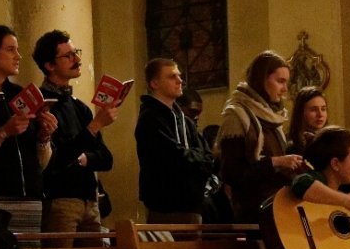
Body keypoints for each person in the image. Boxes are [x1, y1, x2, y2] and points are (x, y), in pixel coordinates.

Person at [31, 29, 120, 249]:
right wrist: (92, 132)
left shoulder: (80, 107)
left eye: (75, 53)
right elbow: (56, 163)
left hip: (89, 200)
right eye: (68, 55)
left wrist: (84, 149)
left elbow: (106, 158)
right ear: (50, 65)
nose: (76, 59)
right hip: (62, 201)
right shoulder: (42, 104)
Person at [0, 24, 57, 234]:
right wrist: (4, 131)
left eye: (17, 50)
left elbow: (40, 162)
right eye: (10, 50)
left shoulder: (21, 94)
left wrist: (44, 136)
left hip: (30, 197)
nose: (18, 56)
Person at [215, 51, 302, 223]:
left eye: (286, 82)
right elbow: (232, 173)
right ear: (261, 79)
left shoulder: (273, 117)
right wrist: (276, 162)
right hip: (254, 212)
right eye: (280, 81)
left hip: (278, 207)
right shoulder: (237, 115)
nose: (285, 89)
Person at [135, 58, 215, 224]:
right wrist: (197, 159)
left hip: (191, 203)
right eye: (172, 76)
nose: (180, 80)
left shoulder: (184, 120)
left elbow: (208, 156)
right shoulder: (150, 119)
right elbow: (173, 157)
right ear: (154, 83)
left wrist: (197, 159)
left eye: (179, 76)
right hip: (166, 205)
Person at [286, 86, 330, 155]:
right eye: (313, 110)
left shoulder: (331, 141)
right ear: (300, 112)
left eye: (323, 109)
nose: (320, 114)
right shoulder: (293, 147)